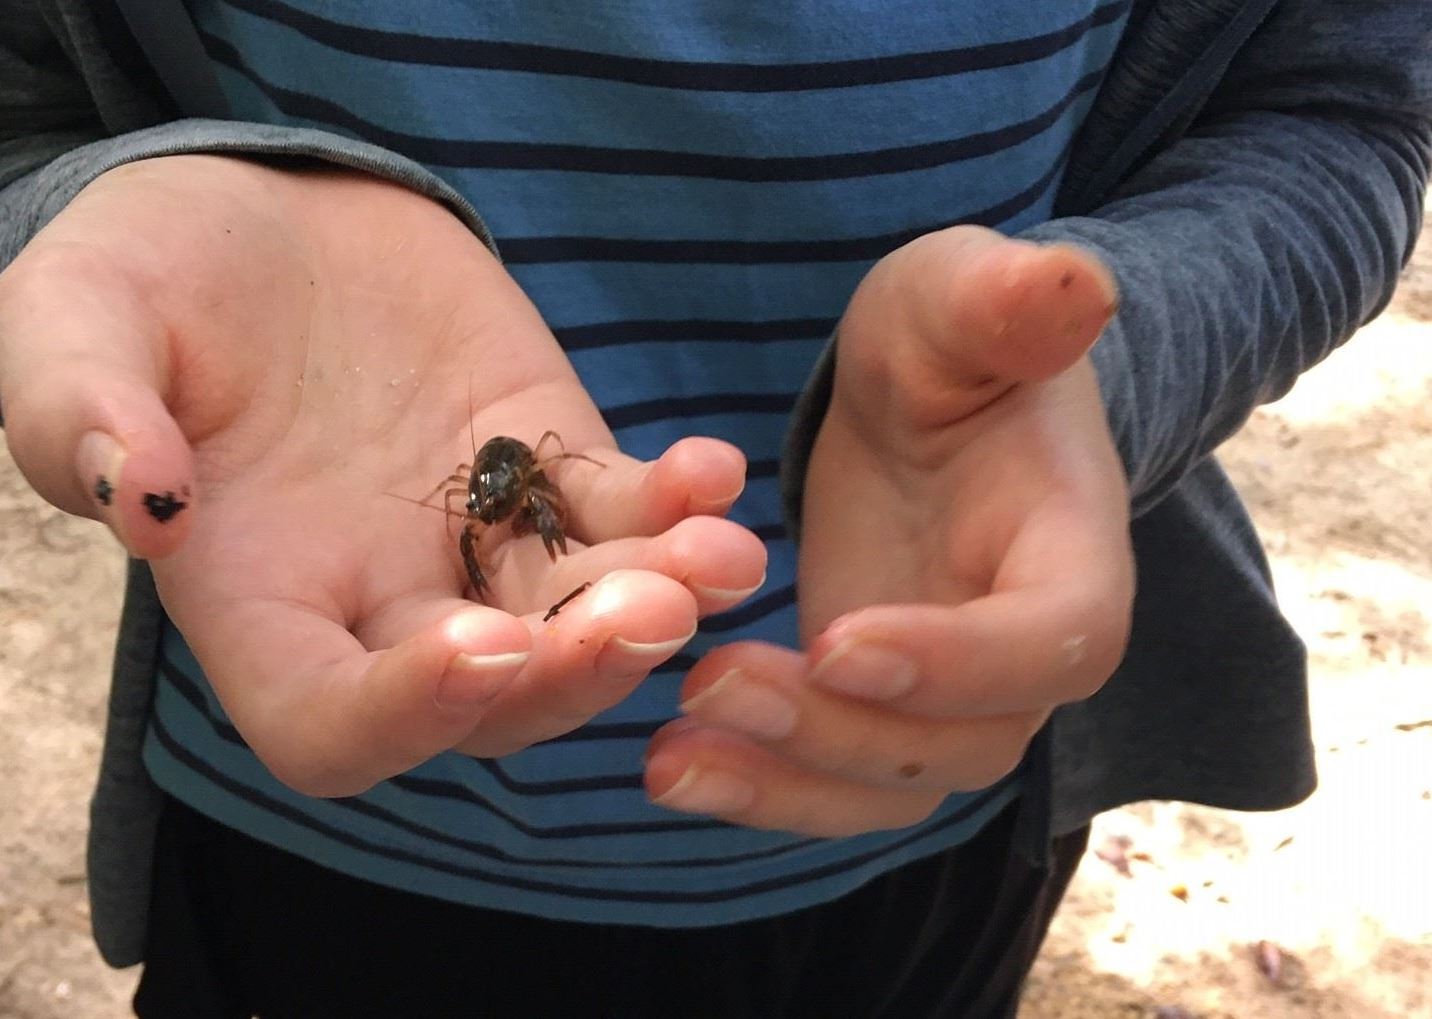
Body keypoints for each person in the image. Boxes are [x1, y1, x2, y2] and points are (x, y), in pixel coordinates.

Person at [1, 1, 1427, 1015]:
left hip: (935, 797)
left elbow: (1336, 107)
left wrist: (1099, 362)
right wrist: (89, 211)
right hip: (316, 811)